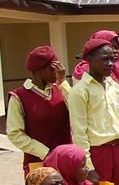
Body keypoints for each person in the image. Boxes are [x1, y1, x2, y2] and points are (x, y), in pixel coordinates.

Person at [67, 33, 119, 185]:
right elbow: (79, 133)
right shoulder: (80, 91)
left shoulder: (115, 87)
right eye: (105, 59)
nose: (110, 63)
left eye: (113, 59)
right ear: (89, 59)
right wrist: (89, 167)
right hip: (98, 154)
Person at [7, 45, 72, 175]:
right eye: (52, 69)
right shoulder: (19, 96)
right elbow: (15, 134)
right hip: (38, 162)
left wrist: (63, 82)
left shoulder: (60, 89)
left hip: (65, 159)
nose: (57, 72)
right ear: (39, 70)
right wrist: (44, 152)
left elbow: (77, 109)